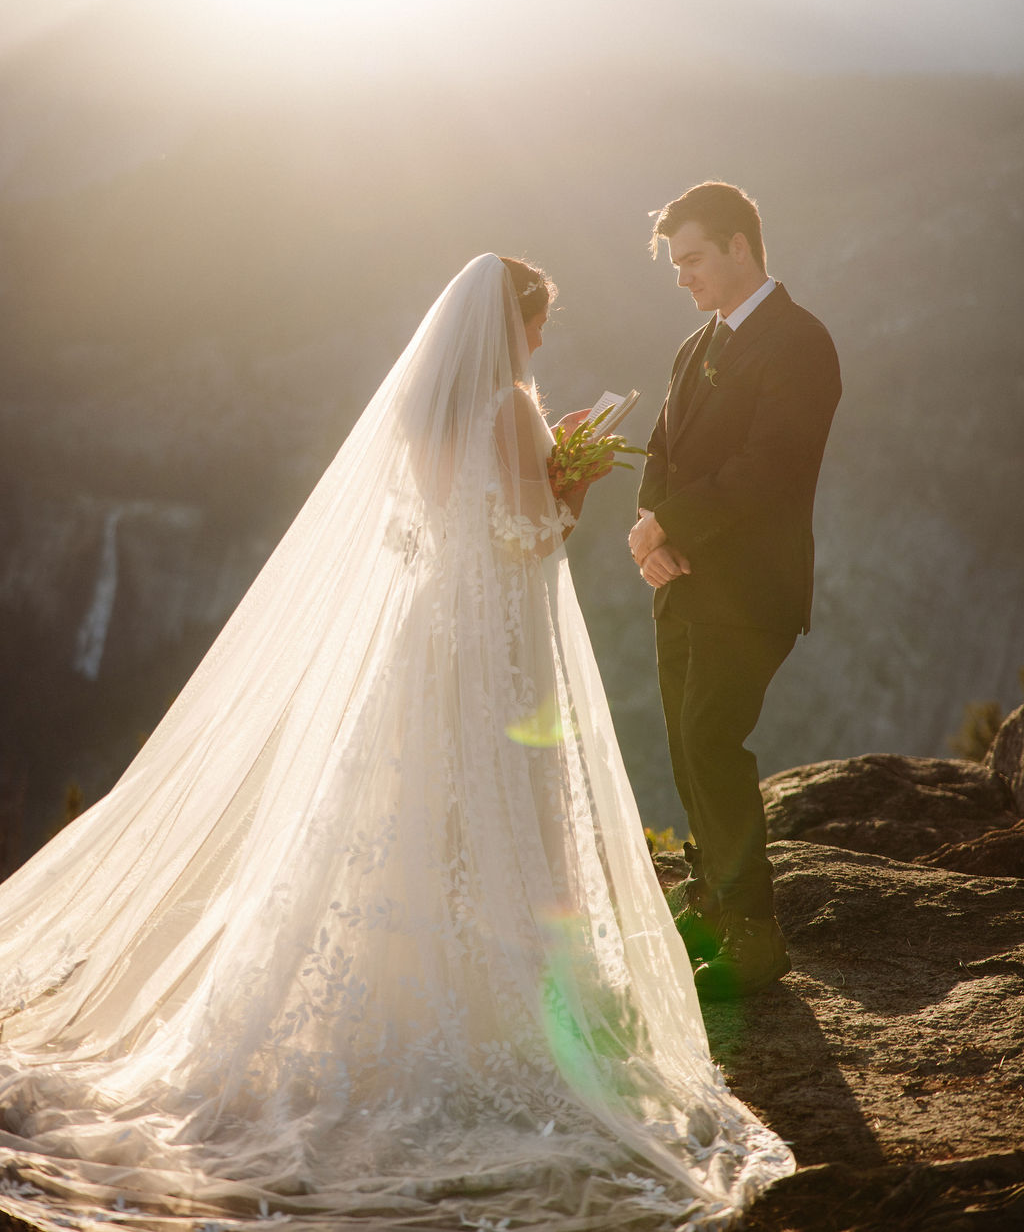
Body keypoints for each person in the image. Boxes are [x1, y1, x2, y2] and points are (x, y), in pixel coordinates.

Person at [0, 253, 793, 1232]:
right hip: (496, 637)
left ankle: (398, 995)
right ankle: (501, 1002)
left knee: (415, 800)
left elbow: (431, 525)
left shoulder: (424, 405)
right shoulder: (508, 404)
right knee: (502, 800)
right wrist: (574, 478)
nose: (543, 338)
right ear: (512, 323)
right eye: (538, 322)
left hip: (430, 631)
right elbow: (526, 533)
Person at [629, 183, 841, 1002]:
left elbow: (772, 464)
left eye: (692, 259)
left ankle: (754, 934)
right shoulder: (694, 345)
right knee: (687, 742)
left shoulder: (801, 341)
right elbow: (659, 446)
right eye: (676, 262)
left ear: (740, 247)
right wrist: (652, 529)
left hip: (751, 588)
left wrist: (671, 523)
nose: (682, 276)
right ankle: (711, 899)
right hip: (681, 581)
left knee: (713, 737)